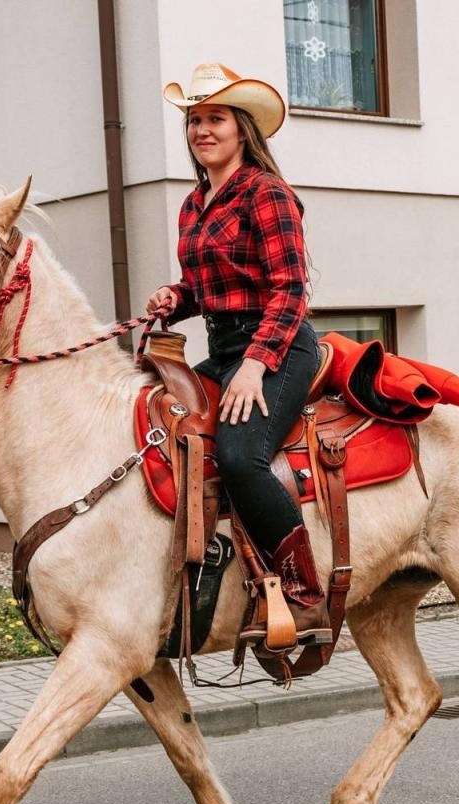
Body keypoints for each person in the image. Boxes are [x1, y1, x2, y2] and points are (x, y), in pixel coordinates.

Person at [145, 63, 330, 645]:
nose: (202, 130)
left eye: (215, 118)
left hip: (277, 348)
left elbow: (290, 290)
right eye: (195, 120)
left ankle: (304, 594)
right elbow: (206, 288)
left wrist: (256, 364)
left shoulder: (266, 193)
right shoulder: (193, 203)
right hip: (224, 347)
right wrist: (173, 299)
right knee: (162, 422)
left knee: (241, 454)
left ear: (242, 129)